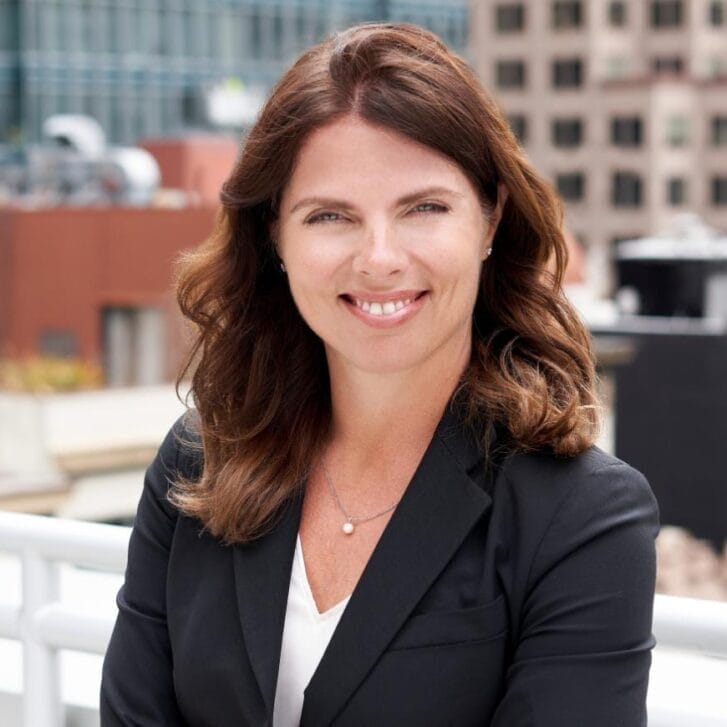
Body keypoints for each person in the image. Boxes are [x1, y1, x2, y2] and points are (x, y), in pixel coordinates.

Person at [100, 21, 659, 727]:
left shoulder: (580, 517)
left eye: (422, 208)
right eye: (331, 215)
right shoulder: (197, 465)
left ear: (490, 218)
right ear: (275, 236)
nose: (379, 257)